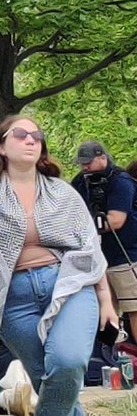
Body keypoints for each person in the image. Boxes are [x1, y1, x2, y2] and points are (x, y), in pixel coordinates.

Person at [0, 116, 116, 416]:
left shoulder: (63, 193)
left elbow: (90, 249)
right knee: (55, 386)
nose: (31, 139)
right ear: (1, 146)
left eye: (37, 135)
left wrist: (106, 301)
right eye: (20, 134)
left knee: (68, 363)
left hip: (69, 284)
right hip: (13, 299)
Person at [72, 141, 137, 353]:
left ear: (102, 158)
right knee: (102, 310)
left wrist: (88, 225)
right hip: (93, 258)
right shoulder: (80, 182)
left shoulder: (121, 181)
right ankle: (107, 355)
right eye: (82, 164)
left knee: (134, 307)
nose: (84, 168)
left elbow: (116, 220)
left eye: (88, 163)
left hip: (124, 255)